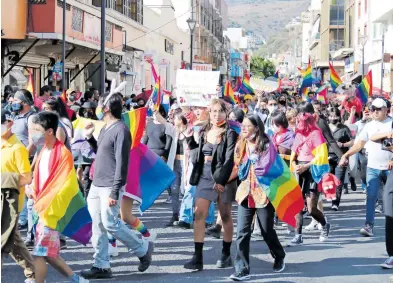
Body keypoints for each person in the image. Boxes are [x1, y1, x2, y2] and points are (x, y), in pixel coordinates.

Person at [81, 92, 153, 279]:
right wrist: (90, 138)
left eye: (99, 105)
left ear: (105, 108)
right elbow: (102, 153)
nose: (95, 108)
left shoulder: (121, 130)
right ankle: (101, 264)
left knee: (110, 223)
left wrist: (115, 190)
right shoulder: (106, 128)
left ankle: (142, 247)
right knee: (97, 224)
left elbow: (122, 163)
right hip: (97, 184)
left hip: (110, 186)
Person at [29, 112, 88, 283]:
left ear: (49, 131)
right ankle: (77, 279)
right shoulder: (43, 151)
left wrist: (47, 201)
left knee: (39, 254)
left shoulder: (63, 154)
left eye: (36, 129)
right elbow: (39, 177)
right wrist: (32, 189)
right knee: (48, 254)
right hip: (40, 209)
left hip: (51, 211)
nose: (32, 133)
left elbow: (67, 185)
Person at [229, 114, 286, 281]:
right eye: (243, 125)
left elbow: (273, 169)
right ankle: (242, 269)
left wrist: (257, 162)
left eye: (248, 126)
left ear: (257, 128)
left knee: (266, 230)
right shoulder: (240, 144)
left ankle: (279, 255)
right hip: (246, 192)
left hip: (264, 193)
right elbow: (237, 167)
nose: (244, 128)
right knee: (242, 232)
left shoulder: (267, 145)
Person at [184, 99, 238, 271]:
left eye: (220, 111)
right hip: (205, 175)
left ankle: (226, 253)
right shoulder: (204, 130)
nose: (216, 115)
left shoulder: (230, 133)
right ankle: (197, 257)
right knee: (199, 213)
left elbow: (230, 159)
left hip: (224, 176)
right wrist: (188, 139)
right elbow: (196, 155)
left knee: (225, 216)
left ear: (226, 113)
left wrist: (222, 181)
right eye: (213, 111)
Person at [339, 98, 393, 237]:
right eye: (372, 109)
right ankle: (369, 225)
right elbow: (359, 144)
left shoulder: (392, 123)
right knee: (371, 196)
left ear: (386, 110)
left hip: (389, 168)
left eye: (378, 109)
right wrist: (346, 155)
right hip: (373, 167)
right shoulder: (369, 126)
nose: (375, 112)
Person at [1, 109, 36, 283]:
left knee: (4, 240)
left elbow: (27, 177)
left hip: (11, 204)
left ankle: (34, 273)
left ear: (9, 124)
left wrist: (3, 181)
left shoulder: (18, 148)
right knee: (13, 242)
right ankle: (33, 272)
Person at [289, 102, 331, 246]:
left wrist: (306, 166)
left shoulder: (316, 133)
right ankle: (298, 235)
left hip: (312, 171)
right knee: (298, 206)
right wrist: (294, 166)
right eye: (297, 118)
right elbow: (293, 154)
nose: (299, 121)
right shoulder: (298, 134)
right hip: (299, 171)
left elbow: (321, 156)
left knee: (312, 208)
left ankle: (324, 224)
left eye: (301, 118)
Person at [327, 107, 353, 210]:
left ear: (339, 116)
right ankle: (330, 196)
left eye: (335, 116)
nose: (333, 118)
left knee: (338, 180)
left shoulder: (344, 128)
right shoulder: (325, 128)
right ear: (328, 117)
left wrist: (342, 144)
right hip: (328, 157)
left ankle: (335, 202)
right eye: (331, 116)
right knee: (329, 180)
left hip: (341, 157)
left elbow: (352, 142)